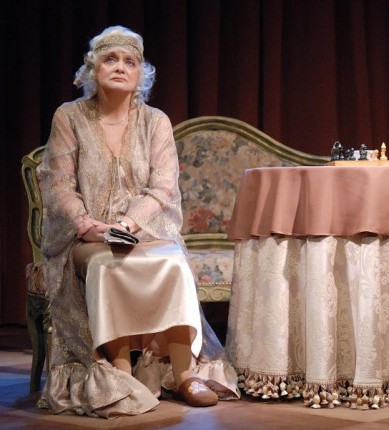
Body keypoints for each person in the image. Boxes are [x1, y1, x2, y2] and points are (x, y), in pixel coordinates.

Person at [37, 25, 238, 417]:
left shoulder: (155, 121)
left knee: (174, 263)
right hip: (84, 236)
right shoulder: (70, 117)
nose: (120, 67)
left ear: (141, 73)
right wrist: (86, 224)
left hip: (144, 231)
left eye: (130, 62)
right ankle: (121, 372)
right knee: (109, 265)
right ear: (93, 69)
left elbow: (163, 188)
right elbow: (59, 185)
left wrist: (127, 225)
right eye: (110, 59)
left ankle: (185, 374)